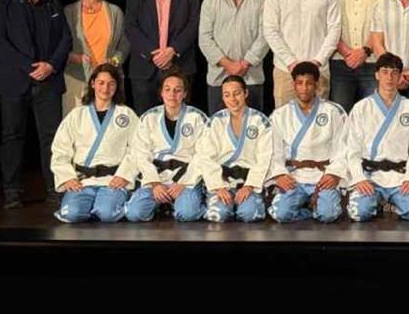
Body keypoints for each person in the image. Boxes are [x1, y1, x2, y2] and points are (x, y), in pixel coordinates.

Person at [0, 0, 71, 209]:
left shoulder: (53, 4)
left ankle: (54, 188)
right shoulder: (1, 6)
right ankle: (12, 191)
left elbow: (65, 40)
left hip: (49, 81)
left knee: (52, 138)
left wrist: (51, 65)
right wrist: (29, 67)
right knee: (13, 136)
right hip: (14, 82)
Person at [49, 63, 138, 222]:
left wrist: (124, 176)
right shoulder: (77, 114)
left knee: (107, 214)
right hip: (83, 180)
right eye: (101, 83)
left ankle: (105, 205)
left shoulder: (126, 114)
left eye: (111, 83)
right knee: (72, 214)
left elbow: (138, 149)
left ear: (117, 86)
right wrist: (68, 178)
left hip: (113, 181)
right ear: (93, 84)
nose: (105, 88)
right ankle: (91, 206)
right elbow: (60, 149)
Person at [343, 53, 409, 222]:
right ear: (376, 75)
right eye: (385, 72)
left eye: (394, 72)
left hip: (400, 176)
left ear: (400, 76)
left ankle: (387, 205)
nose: (389, 77)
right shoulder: (361, 108)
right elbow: (352, 149)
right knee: (359, 213)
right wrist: (359, 178)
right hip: (370, 175)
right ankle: (376, 203)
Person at [125, 0, 201, 114]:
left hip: (180, 64)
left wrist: (173, 50)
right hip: (144, 70)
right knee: (146, 122)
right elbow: (130, 26)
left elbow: (194, 22)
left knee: (180, 122)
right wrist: (155, 54)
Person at [265, 62, 348, 223]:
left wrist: (334, 174)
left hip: (323, 175)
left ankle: (320, 207)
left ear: (316, 85)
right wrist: (280, 174)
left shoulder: (333, 111)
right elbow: (274, 151)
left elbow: (342, 148)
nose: (304, 88)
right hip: (293, 175)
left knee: (329, 215)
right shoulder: (280, 115)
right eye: (300, 83)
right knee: (280, 215)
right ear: (293, 85)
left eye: (309, 83)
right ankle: (310, 210)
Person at [263, 0, 342, 108]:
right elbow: (270, 30)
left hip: (319, 72)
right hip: (285, 71)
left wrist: (317, 62)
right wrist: (291, 62)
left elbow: (334, 29)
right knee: (284, 124)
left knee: (319, 125)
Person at [123, 70, 210, 222]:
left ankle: (193, 203)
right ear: (161, 93)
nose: (172, 94)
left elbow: (203, 154)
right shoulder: (149, 118)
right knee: (134, 213)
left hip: (186, 179)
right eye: (167, 89)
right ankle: (161, 204)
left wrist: (184, 182)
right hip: (157, 178)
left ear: (184, 94)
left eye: (178, 90)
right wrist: (155, 183)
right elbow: (140, 153)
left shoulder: (197, 118)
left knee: (187, 214)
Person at [325, 0, 395, 109]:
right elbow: (326, 22)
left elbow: (386, 23)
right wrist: (347, 52)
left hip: (372, 64)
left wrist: (365, 50)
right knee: (341, 117)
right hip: (340, 62)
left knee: (374, 116)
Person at [192, 76, 274, 222]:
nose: (232, 99)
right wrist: (218, 187)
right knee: (217, 216)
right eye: (227, 95)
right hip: (223, 182)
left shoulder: (260, 121)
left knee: (249, 215)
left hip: (249, 182)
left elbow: (264, 158)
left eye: (237, 93)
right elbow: (206, 157)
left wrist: (249, 186)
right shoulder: (215, 122)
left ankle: (250, 203)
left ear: (246, 93)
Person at [198, 0, 269, 113]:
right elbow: (204, 39)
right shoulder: (210, 2)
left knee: (253, 129)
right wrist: (228, 64)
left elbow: (265, 37)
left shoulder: (260, 2)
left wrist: (245, 63)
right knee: (219, 131)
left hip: (251, 78)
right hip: (219, 79)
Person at [62, 0, 129, 116]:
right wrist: (74, 57)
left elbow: (125, 42)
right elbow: (59, 45)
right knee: (77, 129)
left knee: (110, 129)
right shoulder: (69, 12)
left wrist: (115, 60)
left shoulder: (115, 12)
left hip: (109, 81)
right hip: (77, 79)